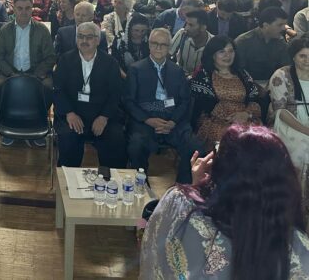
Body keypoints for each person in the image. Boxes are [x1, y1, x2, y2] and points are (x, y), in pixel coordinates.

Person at [140, 125, 309, 279]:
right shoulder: (299, 249)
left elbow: (154, 256)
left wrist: (197, 188)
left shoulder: (180, 205)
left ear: (219, 170)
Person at [125, 28, 203, 183]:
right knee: (136, 145)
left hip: (172, 121)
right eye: (155, 43)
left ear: (169, 47)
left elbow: (184, 101)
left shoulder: (178, 71)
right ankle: (141, 184)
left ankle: (182, 188)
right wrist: (148, 120)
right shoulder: (135, 69)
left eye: (163, 45)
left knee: (195, 146)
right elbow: (128, 101)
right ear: (148, 44)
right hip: (146, 120)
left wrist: (173, 122)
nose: (159, 48)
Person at [53, 21, 127, 168]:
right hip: (73, 113)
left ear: (98, 40)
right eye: (80, 36)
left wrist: (104, 117)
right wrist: (69, 113)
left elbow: (115, 94)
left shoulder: (110, 62)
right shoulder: (65, 60)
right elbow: (58, 90)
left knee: (115, 137)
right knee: (68, 138)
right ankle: (69, 182)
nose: (84, 41)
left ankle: (110, 182)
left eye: (89, 37)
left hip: (101, 114)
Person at [190, 36, 261, 151]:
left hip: (244, 118)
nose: (227, 55)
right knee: (232, 140)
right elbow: (202, 107)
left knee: (258, 139)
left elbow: (255, 100)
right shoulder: (203, 76)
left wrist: (246, 114)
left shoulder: (242, 74)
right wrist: (232, 118)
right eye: (221, 51)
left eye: (231, 51)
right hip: (215, 121)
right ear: (212, 54)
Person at [0, 0, 56, 89]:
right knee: (0, 88)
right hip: (10, 72)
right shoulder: (4, 30)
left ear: (32, 9)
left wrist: (37, 74)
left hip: (36, 72)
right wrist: (10, 73)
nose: (24, 12)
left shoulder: (42, 30)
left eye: (27, 8)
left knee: (48, 86)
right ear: (14, 9)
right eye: (20, 8)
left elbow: (50, 57)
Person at [235, 6, 290, 89]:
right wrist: (256, 87)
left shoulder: (281, 42)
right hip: (246, 85)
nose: (283, 28)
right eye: (280, 25)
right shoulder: (243, 41)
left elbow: (285, 67)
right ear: (266, 25)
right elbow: (239, 70)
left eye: (284, 25)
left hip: (275, 83)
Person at [169, 9, 213, 76]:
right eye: (186, 23)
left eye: (191, 25)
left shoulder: (213, 42)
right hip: (181, 75)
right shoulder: (182, 34)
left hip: (201, 79)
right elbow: (167, 54)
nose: (186, 28)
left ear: (203, 27)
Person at [111, 12, 150, 77]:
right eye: (136, 30)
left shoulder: (150, 41)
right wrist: (128, 79)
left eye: (143, 31)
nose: (139, 34)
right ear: (129, 29)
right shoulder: (119, 41)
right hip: (123, 77)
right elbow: (115, 64)